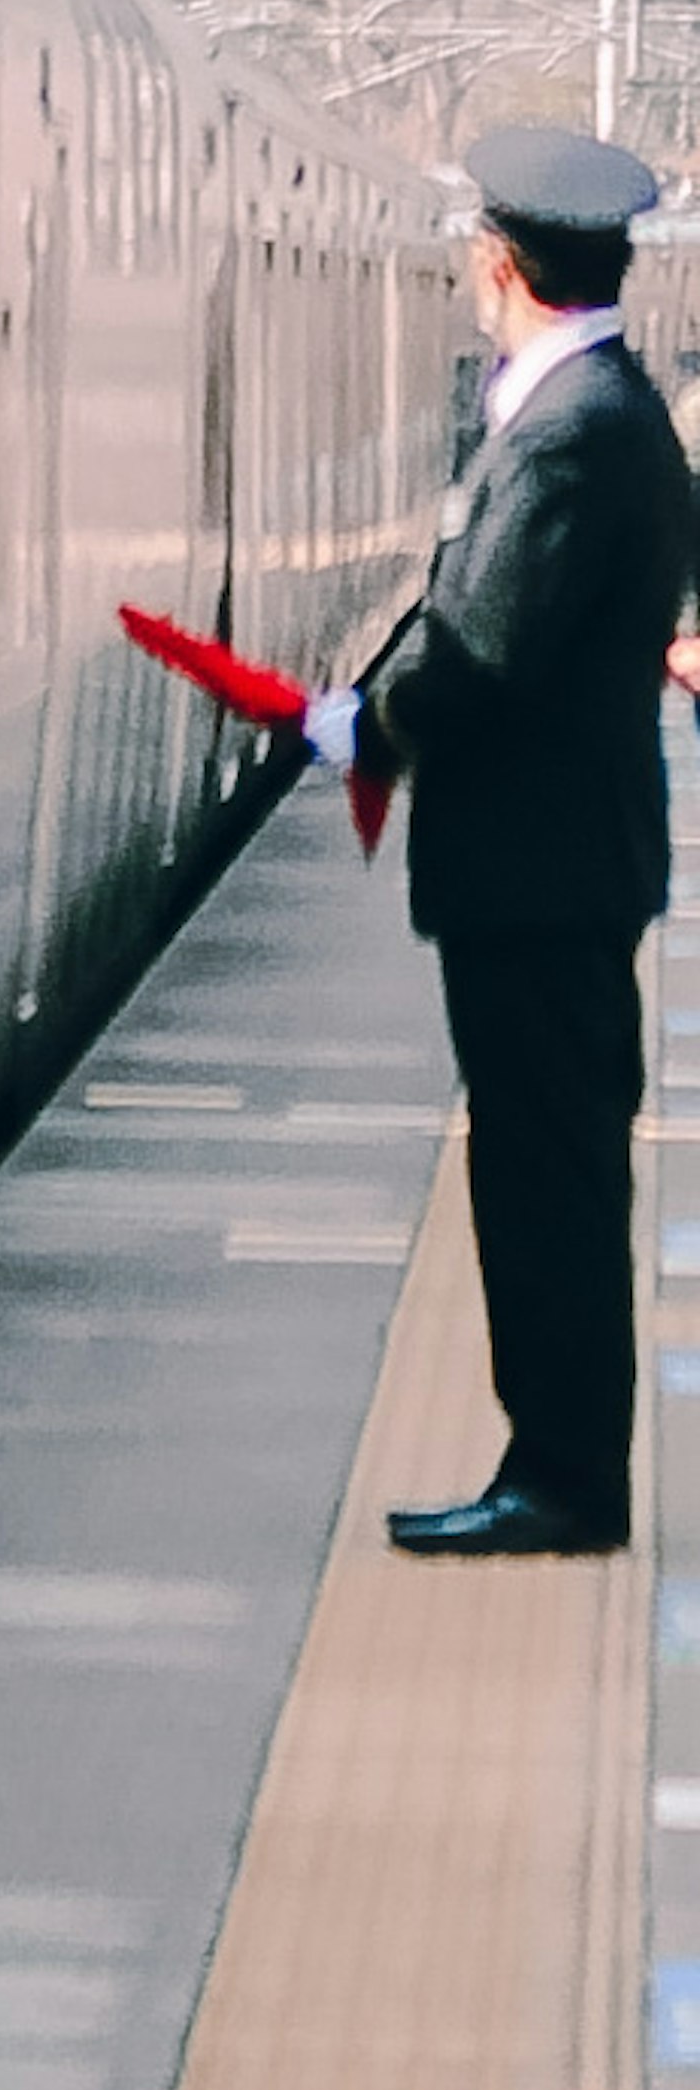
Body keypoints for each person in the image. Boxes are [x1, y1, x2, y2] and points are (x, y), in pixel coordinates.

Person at [313, 125, 694, 1558]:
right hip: (558, 865)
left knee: (545, 1172)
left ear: (500, 264)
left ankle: (563, 1478)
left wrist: (370, 728)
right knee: (551, 1162)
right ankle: (557, 1462)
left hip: (540, 872)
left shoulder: (576, 430)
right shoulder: (602, 410)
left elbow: (482, 649)